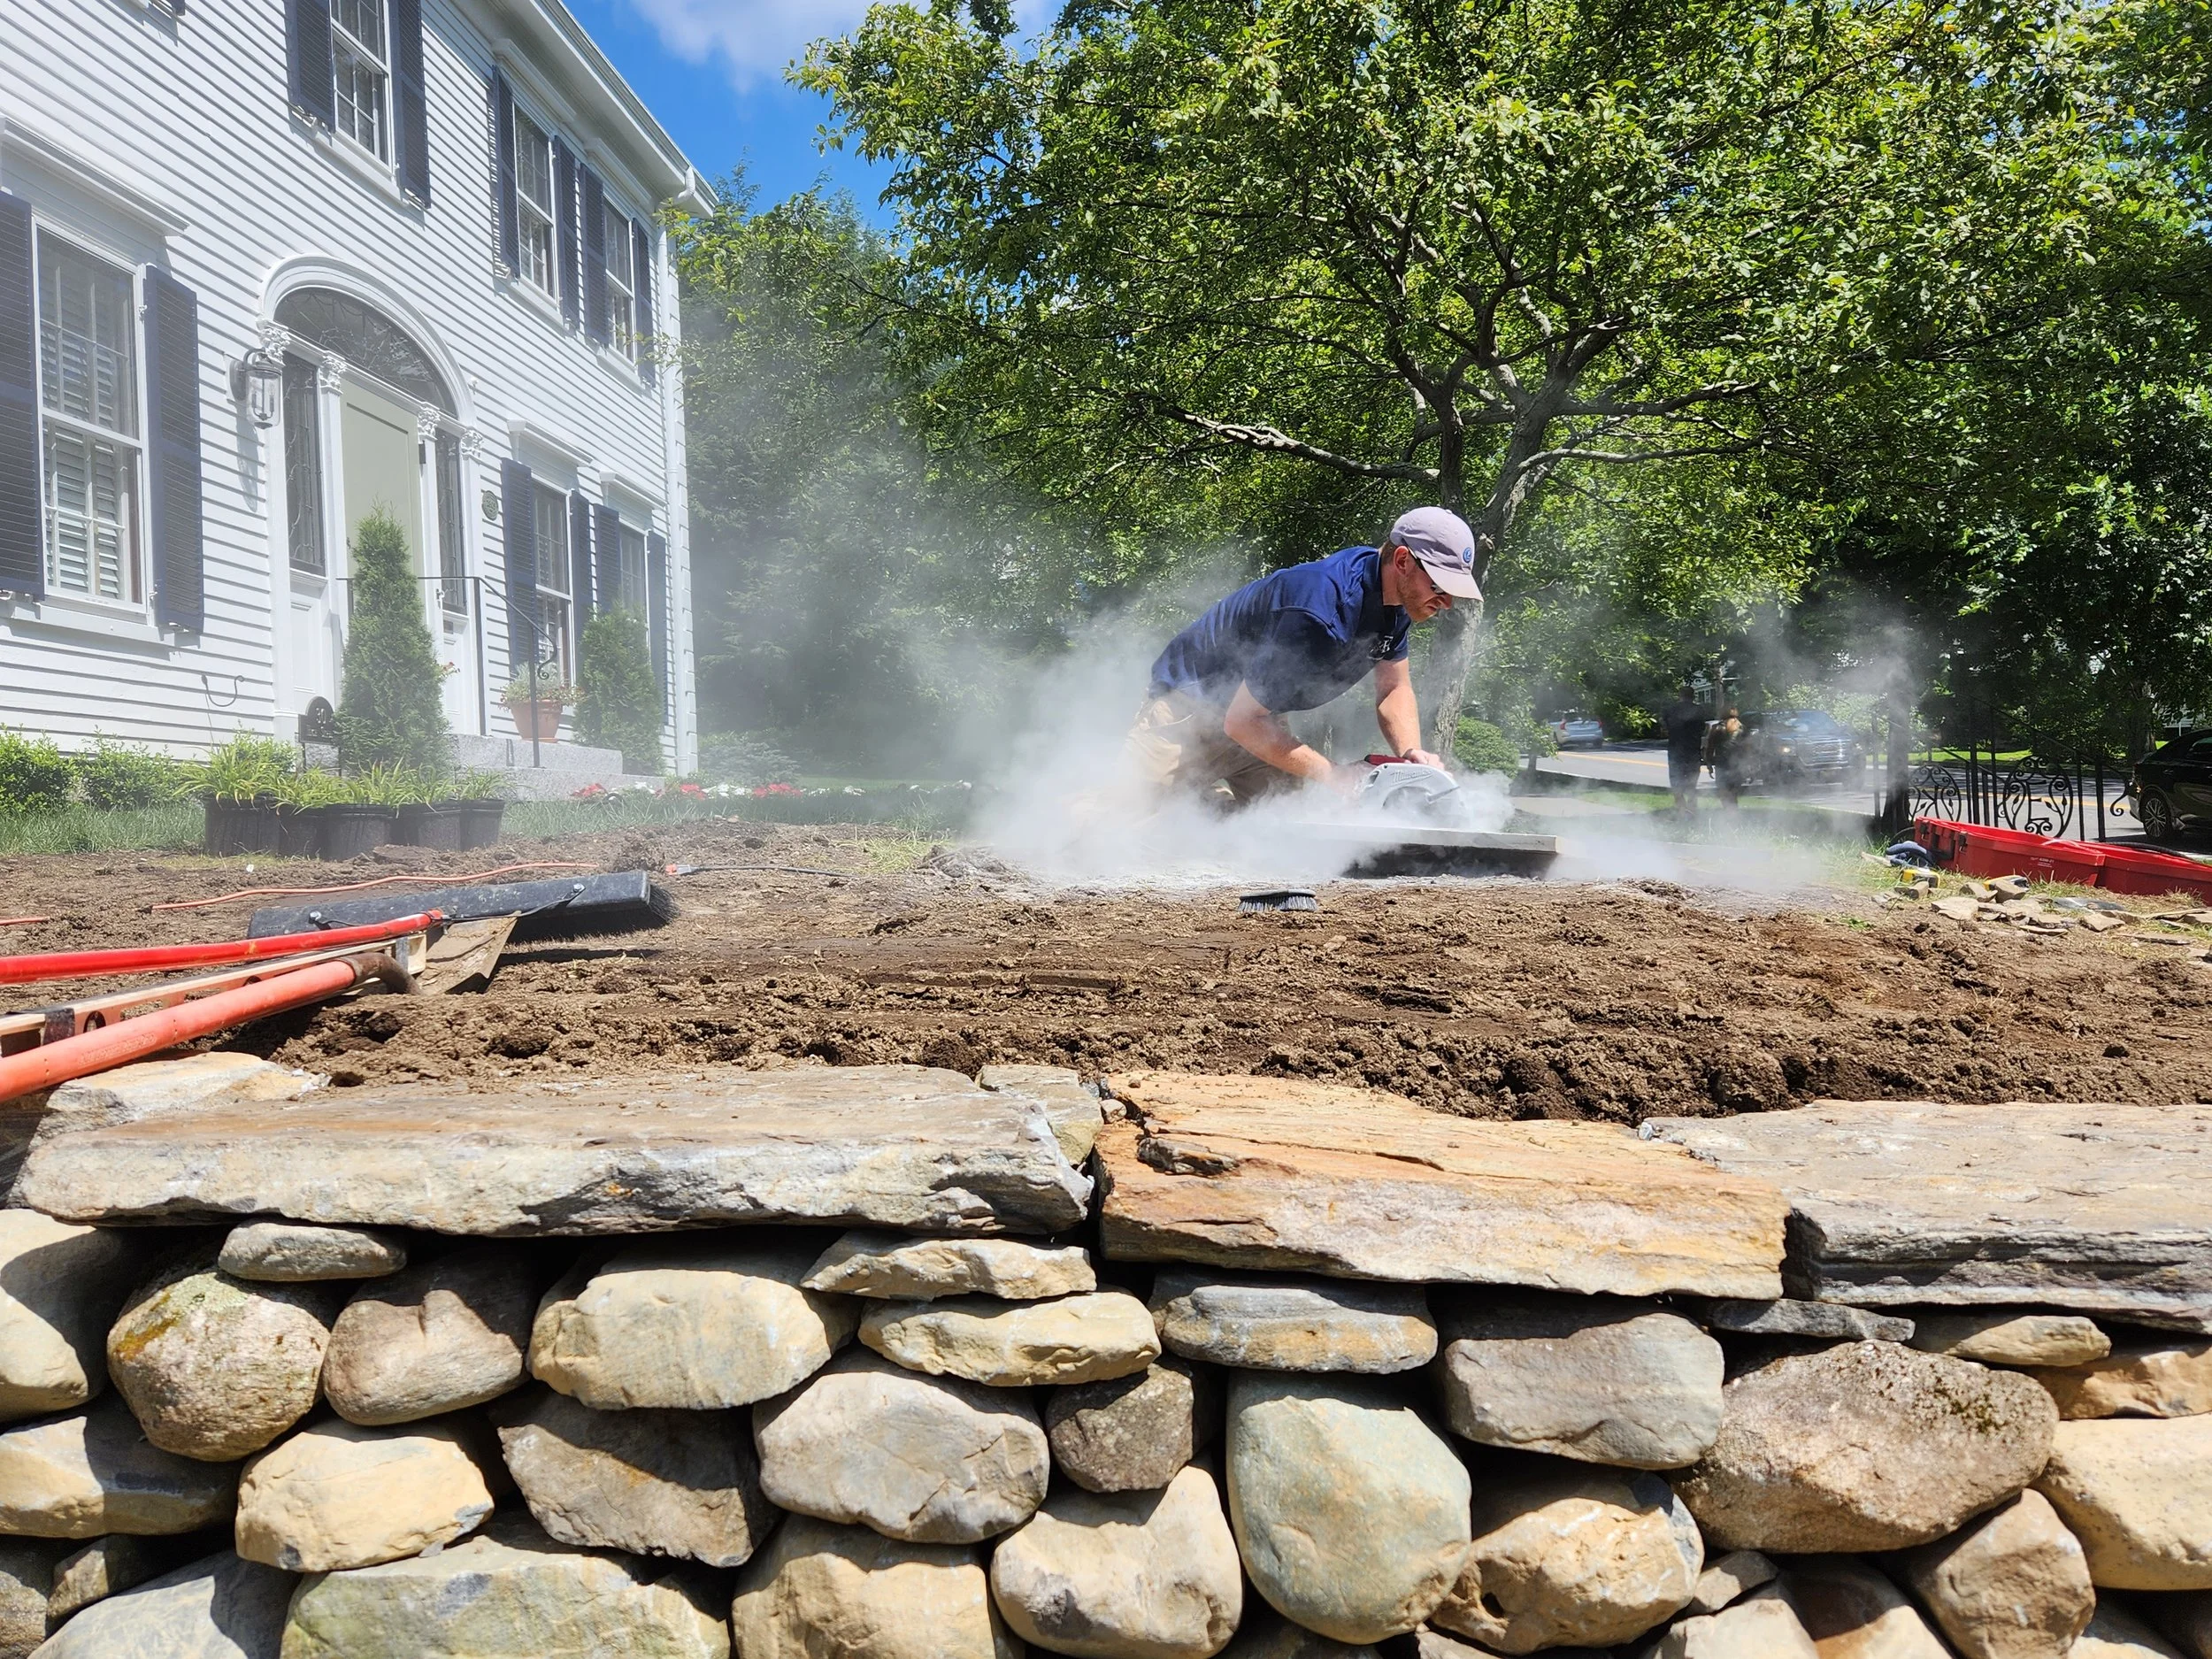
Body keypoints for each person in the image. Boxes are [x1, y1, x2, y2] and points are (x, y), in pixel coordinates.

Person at [1127, 507, 1481, 809]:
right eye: (1438, 585)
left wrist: (1411, 755)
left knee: (1286, 832)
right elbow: (1241, 722)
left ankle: (1205, 802)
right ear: (1403, 561)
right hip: (1191, 713)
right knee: (1105, 823)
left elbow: (1394, 687)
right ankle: (1192, 800)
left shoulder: (1398, 602)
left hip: (1260, 718)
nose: (1446, 602)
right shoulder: (1319, 609)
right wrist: (1334, 774)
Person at [1661, 683, 1709, 813]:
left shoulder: (1670, 710)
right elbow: (1703, 730)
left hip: (1675, 752)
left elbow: (1664, 730)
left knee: (1677, 784)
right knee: (1692, 785)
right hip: (1693, 752)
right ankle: (1693, 811)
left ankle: (1681, 812)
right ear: (1693, 696)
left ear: (1680, 696)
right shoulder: (1699, 710)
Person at [1708, 705, 1747, 808]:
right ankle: (1733, 815)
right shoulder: (1742, 727)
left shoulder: (1717, 728)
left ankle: (1728, 816)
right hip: (1737, 764)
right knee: (1733, 794)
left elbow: (1710, 747)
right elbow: (1746, 748)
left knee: (1724, 792)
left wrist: (1709, 764)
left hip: (1722, 763)